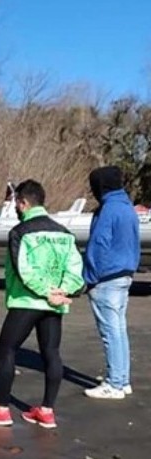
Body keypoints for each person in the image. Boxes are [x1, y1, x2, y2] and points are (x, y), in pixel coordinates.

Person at [0, 180, 84, 430]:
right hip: (54, 302)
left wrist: (45, 292)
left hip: (27, 300)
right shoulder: (64, 233)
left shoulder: (20, 232)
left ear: (23, 203)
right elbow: (75, 269)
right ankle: (47, 410)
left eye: (16, 204)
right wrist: (64, 290)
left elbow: (23, 270)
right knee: (51, 352)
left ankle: (1, 409)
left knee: (6, 349)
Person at [82, 166, 140, 400]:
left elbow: (98, 245)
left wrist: (88, 278)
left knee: (110, 332)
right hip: (125, 274)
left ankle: (115, 383)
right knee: (119, 330)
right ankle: (122, 379)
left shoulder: (108, 210)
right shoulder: (127, 208)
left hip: (107, 277)